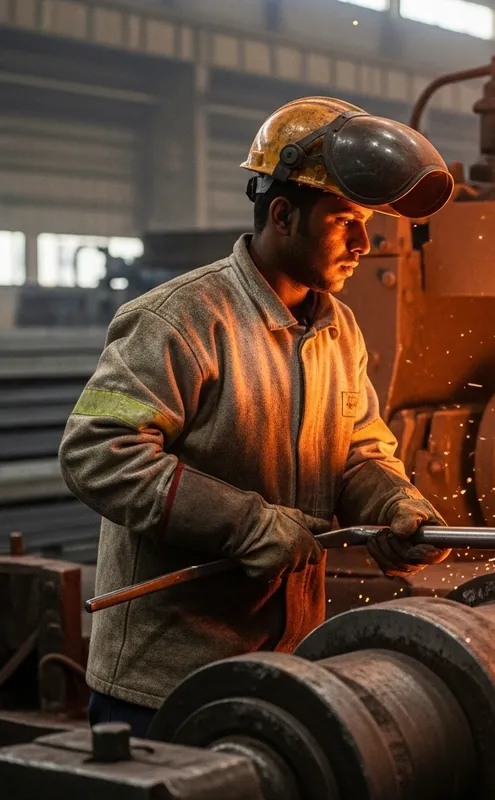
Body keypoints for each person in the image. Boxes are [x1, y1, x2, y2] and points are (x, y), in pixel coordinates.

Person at [59, 96, 455, 737]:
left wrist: (391, 503)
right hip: (165, 685)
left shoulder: (338, 326)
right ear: (283, 215)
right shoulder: (181, 319)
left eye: (368, 225)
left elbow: (357, 446)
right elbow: (98, 453)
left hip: (284, 670)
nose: (364, 243)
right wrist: (247, 525)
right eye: (345, 221)